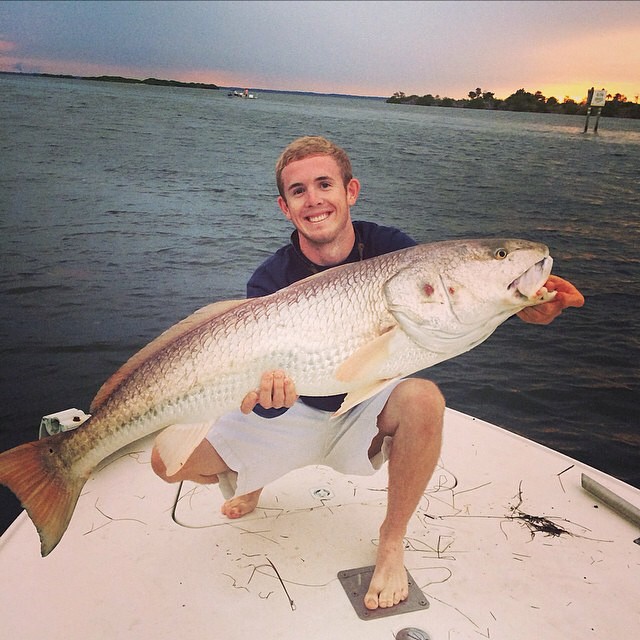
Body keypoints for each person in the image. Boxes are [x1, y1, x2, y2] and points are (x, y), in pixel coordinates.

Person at [151, 136, 585, 610]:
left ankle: (392, 541)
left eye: (324, 184)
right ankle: (253, 480)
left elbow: (441, 313)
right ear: (284, 206)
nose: (314, 199)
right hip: (294, 408)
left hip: (362, 406)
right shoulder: (268, 280)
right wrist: (270, 402)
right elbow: (270, 405)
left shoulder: (393, 250)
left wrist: (520, 307)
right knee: (166, 464)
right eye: (298, 191)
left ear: (350, 190)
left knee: (424, 399)